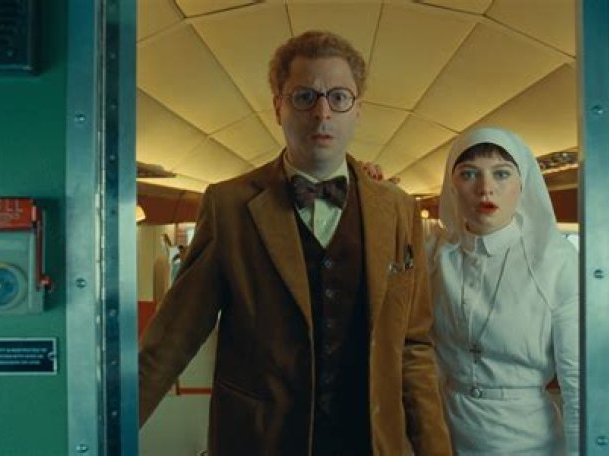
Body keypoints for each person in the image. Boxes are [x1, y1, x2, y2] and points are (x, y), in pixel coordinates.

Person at [139, 30, 452, 455]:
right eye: (305, 97)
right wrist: (104, 429)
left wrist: (434, 449)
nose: (323, 113)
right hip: (261, 440)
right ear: (278, 107)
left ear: (358, 110)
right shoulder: (229, 206)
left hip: (371, 442)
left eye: (339, 98)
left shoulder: (398, 209)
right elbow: (173, 337)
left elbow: (413, 348)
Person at [429, 127, 579, 454]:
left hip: (531, 443)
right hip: (445, 436)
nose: (486, 188)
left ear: (522, 183)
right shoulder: (435, 254)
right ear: (451, 186)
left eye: (501, 173)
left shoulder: (555, 260)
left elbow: (577, 382)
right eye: (469, 174)